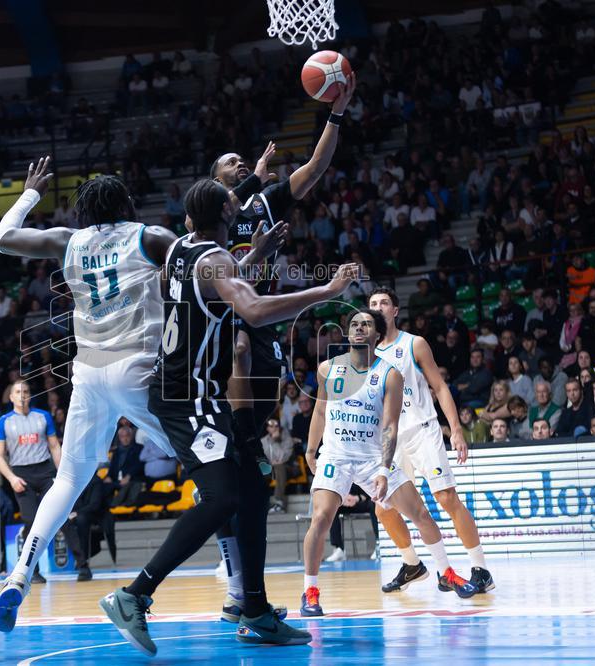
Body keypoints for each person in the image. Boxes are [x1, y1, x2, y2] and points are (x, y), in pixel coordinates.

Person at [0, 165, 279, 633]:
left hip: (87, 374)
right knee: (216, 470)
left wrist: (27, 195)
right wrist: (250, 244)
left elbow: (3, 239)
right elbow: (202, 273)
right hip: (141, 372)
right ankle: (237, 592)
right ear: (125, 205)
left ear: (85, 211)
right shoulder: (149, 237)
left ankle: (19, 575)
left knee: (69, 481)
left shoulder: (68, 240)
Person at [99, 179, 357, 655]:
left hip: (194, 394)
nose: (241, 203)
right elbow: (253, 310)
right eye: (235, 200)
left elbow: (214, 279)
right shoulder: (215, 260)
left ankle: (255, 609)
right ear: (223, 209)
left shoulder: (181, 249)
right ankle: (133, 595)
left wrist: (254, 255)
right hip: (187, 399)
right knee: (222, 499)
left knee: (253, 494)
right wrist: (327, 289)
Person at [208, 74, 354, 621]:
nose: (240, 164)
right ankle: (237, 570)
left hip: (264, 323)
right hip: (223, 327)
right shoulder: (208, 217)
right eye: (230, 162)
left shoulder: (266, 201)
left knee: (249, 452)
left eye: (243, 162)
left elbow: (316, 167)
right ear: (214, 181)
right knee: (239, 374)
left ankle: (239, 581)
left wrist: (337, 112)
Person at [300, 310, 477, 617]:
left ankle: (445, 573)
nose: (358, 328)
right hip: (336, 456)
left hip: (372, 457)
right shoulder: (328, 368)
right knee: (321, 517)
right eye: (354, 324)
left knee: (420, 512)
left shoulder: (390, 374)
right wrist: (311, 450)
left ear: (376, 334)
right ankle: (310, 592)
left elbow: (390, 426)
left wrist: (383, 469)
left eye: (365, 324)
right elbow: (319, 412)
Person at [369, 287, 494, 594]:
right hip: (391, 441)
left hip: (423, 430)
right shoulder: (365, 353)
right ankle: (412, 564)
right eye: (373, 303)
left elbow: (439, 386)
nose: (378, 307)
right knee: (383, 509)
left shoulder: (415, 343)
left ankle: (481, 570)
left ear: (395, 310)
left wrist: (457, 429)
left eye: (384, 302)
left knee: (447, 499)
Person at [0, 381, 62, 584]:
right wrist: (12, 478)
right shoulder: (3, 422)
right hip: (21, 473)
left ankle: (83, 567)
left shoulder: (43, 416)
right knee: (31, 522)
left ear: (30, 395)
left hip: (45, 469)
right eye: (17, 392)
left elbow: (55, 447)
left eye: (25, 391)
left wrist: (62, 475)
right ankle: (33, 570)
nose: (22, 395)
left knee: (62, 516)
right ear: (11, 397)